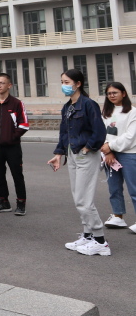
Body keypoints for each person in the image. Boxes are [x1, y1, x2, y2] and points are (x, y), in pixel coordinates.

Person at [48, 69, 109, 256]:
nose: (64, 85)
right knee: (78, 198)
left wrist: (88, 147)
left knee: (84, 200)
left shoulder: (88, 104)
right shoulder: (68, 107)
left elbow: (99, 131)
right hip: (72, 154)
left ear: (78, 83)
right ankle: (88, 235)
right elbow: (64, 132)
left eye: (67, 82)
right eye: (62, 82)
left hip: (85, 155)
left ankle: (101, 241)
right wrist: (59, 153)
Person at [0, 72, 29, 216]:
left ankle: (21, 203)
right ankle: (3, 201)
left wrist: (11, 138)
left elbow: (24, 124)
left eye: (2, 83)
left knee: (17, 174)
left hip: (12, 147)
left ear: (9, 85)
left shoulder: (17, 103)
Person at [99, 82, 136, 232]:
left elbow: (130, 136)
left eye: (115, 92)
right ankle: (118, 216)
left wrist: (111, 146)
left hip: (129, 154)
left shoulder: (132, 112)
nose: (112, 95)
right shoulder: (106, 113)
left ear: (124, 93)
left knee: (134, 188)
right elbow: (102, 132)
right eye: (109, 93)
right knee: (114, 187)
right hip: (110, 154)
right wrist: (108, 151)